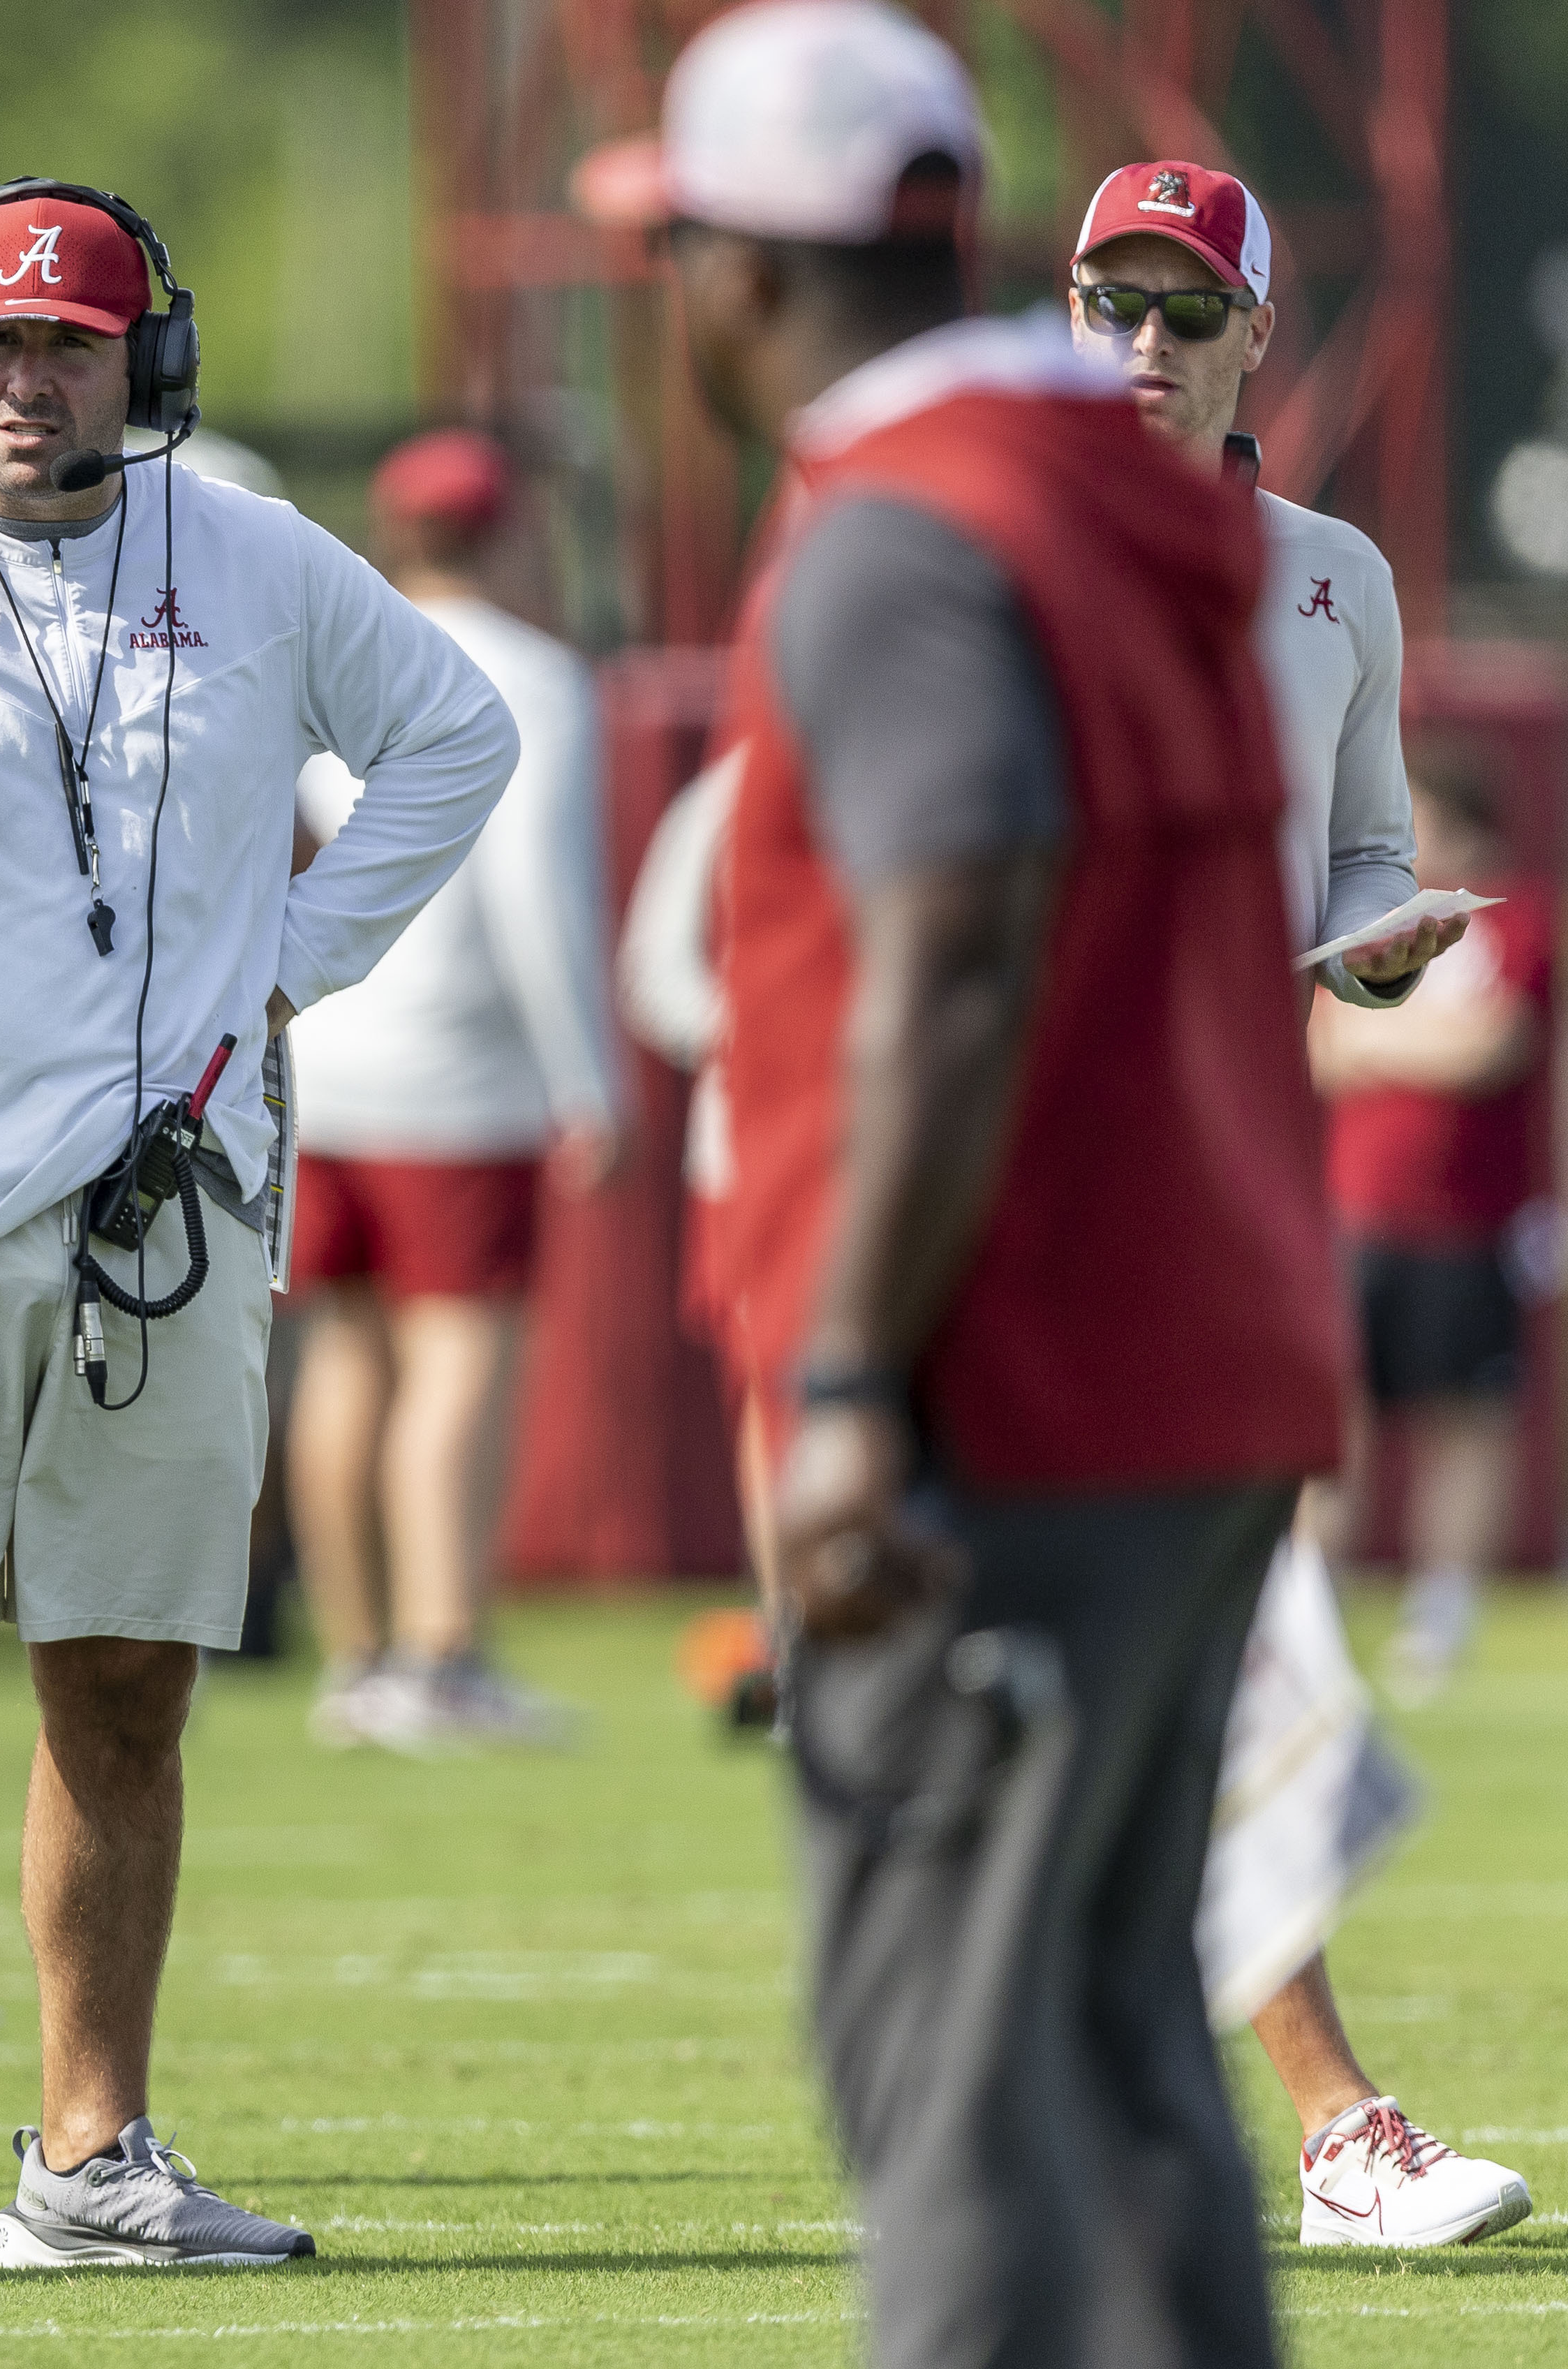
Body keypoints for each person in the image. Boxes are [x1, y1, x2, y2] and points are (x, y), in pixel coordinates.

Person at [0, 177, 517, 2280]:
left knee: (125, 1686)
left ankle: (90, 2156)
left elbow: (454, 736)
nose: (25, 378)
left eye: (69, 340)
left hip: (163, 1203)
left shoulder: (245, 547)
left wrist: (293, 964)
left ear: (145, 356)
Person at [607, 3, 1352, 2356]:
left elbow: (946, 949)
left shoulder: (906, 524)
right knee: (1125, 2038)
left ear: (731, 270)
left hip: (1015, 1380)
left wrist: (836, 1375)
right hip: (1211, 1349)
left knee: (940, 2058)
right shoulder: (1168, 507)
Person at [1070, 160, 1533, 2250]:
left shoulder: (1329, 574)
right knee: (1168, 1652)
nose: (1145, 349)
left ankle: (1288, 2116)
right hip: (1003, 1175)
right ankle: (1294, 2114)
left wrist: (1379, 942)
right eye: (1112, 304)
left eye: (1186, 313)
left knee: (1218, 1643)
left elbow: (1355, 851)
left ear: (1260, 333)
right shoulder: (972, 547)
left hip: (1215, 1177)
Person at [286, 430, 618, 1754]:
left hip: (323, 1048)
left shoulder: (335, 659)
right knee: (456, 1355)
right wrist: (586, 1078)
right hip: (458, 1070)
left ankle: (353, 1656)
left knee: (343, 1355)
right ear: (505, 534)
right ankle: (442, 1650)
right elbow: (537, 891)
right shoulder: (537, 676)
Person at [1315, 763, 1547, 1695]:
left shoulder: (1518, 922)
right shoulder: (1365, 933)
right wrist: (1394, 1046)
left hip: (1469, 1227)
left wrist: (1381, 1047)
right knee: (1336, 1423)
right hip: (1355, 1216)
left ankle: (1439, 1616)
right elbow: (1325, 1047)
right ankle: (1313, 1612)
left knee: (1467, 1421)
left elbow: (1496, 1044)